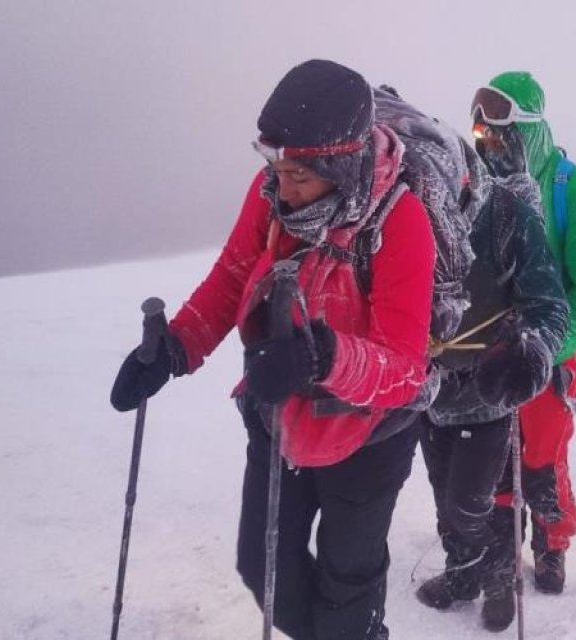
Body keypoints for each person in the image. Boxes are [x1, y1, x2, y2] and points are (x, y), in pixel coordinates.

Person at [109, 60, 436, 640]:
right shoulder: (272, 195)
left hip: (368, 439)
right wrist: (176, 349)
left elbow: (405, 368)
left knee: (346, 596)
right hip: (278, 419)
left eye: (300, 176)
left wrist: (323, 358)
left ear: (342, 164)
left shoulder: (400, 221)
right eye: (276, 167)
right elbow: (233, 276)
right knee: (267, 578)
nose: (283, 187)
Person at [413, 104, 570, 631]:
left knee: (477, 501)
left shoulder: (507, 214)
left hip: (490, 385)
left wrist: (532, 350)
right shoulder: (407, 208)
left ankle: (500, 578)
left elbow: (549, 303)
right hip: (429, 388)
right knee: (442, 490)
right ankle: (464, 573)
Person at [470, 71, 576, 595]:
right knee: (498, 455)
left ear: (527, 129)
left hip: (554, 354)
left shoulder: (571, 189)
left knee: (542, 459)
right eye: (482, 134)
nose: (490, 145)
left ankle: (552, 546)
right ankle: (504, 548)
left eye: (500, 134)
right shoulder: (484, 184)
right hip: (494, 348)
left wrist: (550, 347)